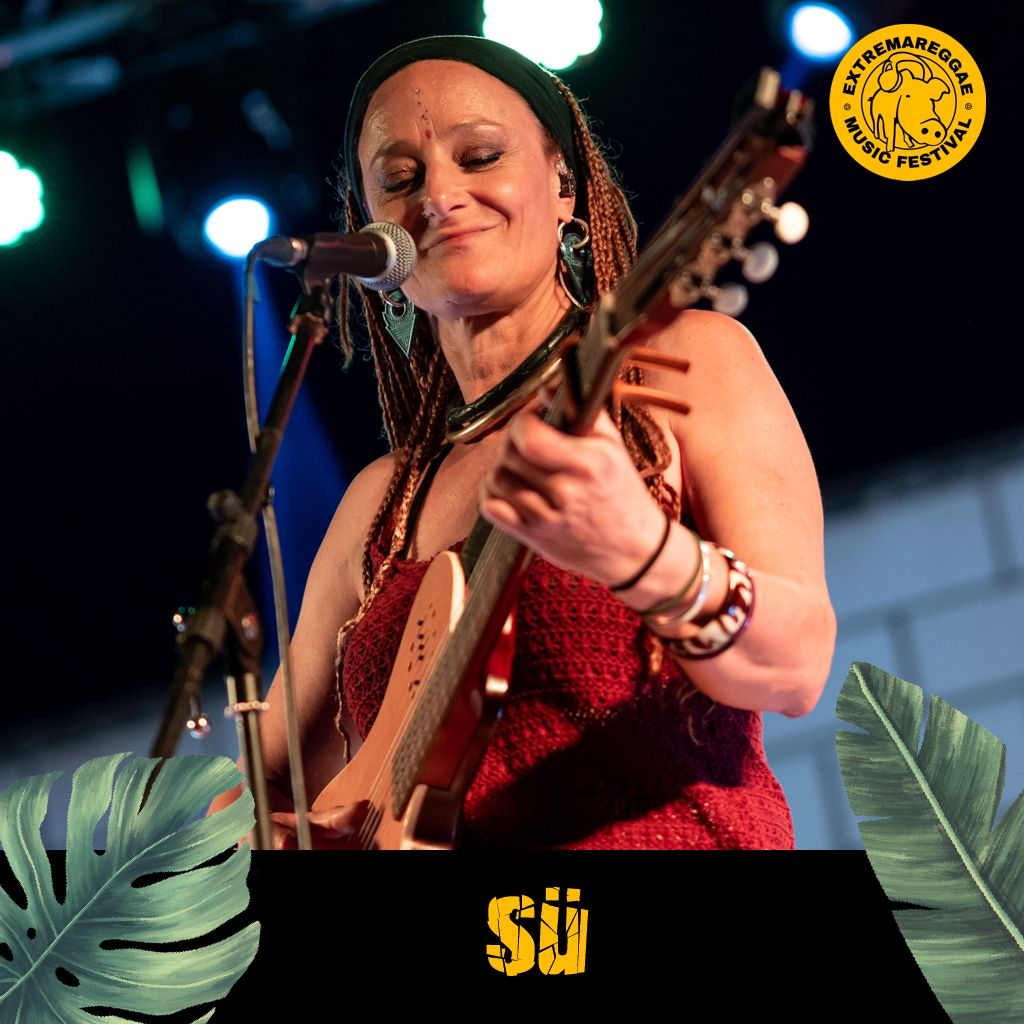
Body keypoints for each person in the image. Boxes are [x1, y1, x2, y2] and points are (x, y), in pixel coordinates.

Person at [213, 35, 836, 849]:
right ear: (371, 244)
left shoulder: (681, 366)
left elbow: (797, 666)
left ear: (564, 187)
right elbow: (260, 781)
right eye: (399, 180)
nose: (441, 195)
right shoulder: (382, 502)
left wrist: (645, 553)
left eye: (480, 157)